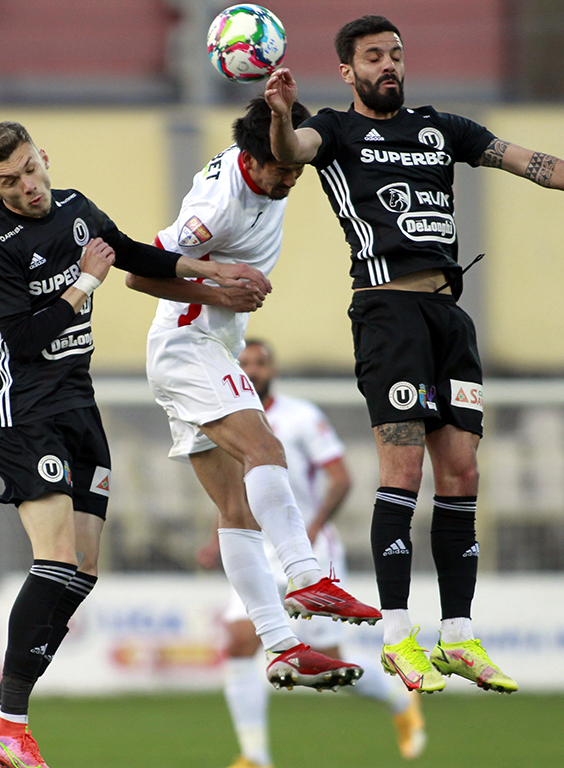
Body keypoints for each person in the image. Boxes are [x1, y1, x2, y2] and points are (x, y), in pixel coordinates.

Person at [265, 14, 564, 694]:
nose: (389, 64)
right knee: (401, 468)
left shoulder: (442, 128)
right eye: (374, 56)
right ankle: (400, 635)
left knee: (461, 471)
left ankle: (457, 636)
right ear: (348, 71)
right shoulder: (337, 132)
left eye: (396, 53)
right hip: (387, 312)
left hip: (448, 317)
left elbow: (531, 163)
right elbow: (293, 148)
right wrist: (282, 115)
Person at [0, 120, 272, 768]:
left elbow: (134, 252)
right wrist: (85, 283)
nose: (26, 188)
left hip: (78, 407)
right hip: (26, 415)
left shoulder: (75, 207)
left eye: (28, 171)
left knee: (83, 572)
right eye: (8, 183)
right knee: (56, 557)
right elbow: (21, 340)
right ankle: (11, 719)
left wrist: (211, 272)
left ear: (43, 157)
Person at [128, 97, 380, 696]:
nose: (289, 179)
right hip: (190, 344)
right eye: (279, 169)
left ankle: (282, 646)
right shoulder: (218, 204)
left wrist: (282, 109)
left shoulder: (272, 166)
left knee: (235, 513)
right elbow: (139, 271)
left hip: (199, 349)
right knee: (265, 447)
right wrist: (217, 288)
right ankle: (305, 575)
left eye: (296, 169)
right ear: (250, 158)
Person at [196, 340, 426, 768]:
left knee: (331, 664)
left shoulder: (301, 417)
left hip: (307, 548)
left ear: (272, 369)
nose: (251, 369)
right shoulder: (225, 418)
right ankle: (255, 756)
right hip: (254, 546)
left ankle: (397, 699)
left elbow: (340, 478)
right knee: (240, 640)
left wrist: (315, 524)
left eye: (260, 362)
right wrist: (216, 539)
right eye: (243, 362)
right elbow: (231, 491)